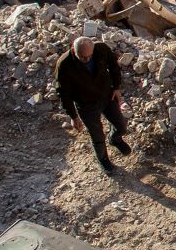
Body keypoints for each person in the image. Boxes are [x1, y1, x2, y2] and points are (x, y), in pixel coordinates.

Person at [55, 35, 131, 172]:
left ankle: (115, 139)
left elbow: (114, 66)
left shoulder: (100, 49)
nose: (87, 60)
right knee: (97, 136)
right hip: (86, 104)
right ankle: (103, 159)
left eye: (89, 56)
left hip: (106, 96)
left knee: (121, 126)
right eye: (83, 57)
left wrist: (116, 87)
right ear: (74, 50)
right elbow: (63, 93)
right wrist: (73, 116)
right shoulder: (64, 64)